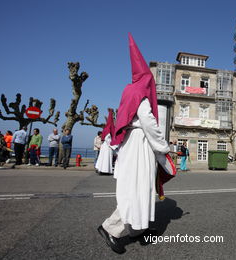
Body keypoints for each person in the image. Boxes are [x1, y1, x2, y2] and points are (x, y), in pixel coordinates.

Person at [97, 34, 172, 254]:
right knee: (137, 190)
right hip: (140, 144)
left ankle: (138, 230)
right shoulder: (141, 93)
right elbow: (148, 122)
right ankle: (111, 227)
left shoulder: (129, 91)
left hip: (132, 144)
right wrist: (163, 147)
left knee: (139, 188)